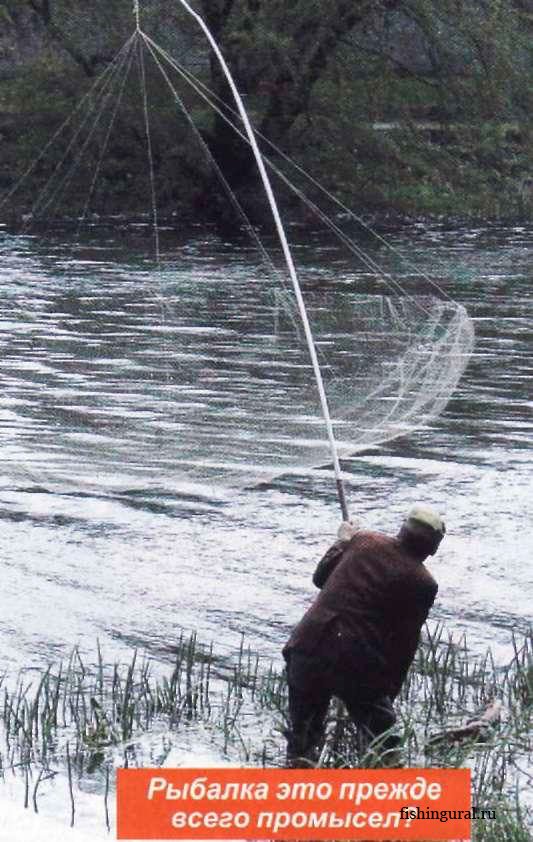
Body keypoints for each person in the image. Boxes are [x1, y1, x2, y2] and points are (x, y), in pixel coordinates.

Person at [282, 505, 445, 766]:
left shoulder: (364, 540)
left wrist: (342, 540)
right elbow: (404, 644)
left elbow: (320, 578)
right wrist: (387, 695)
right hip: (356, 665)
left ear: (402, 530)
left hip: (307, 647)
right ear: (433, 548)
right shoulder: (424, 582)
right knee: (386, 745)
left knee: (301, 743)